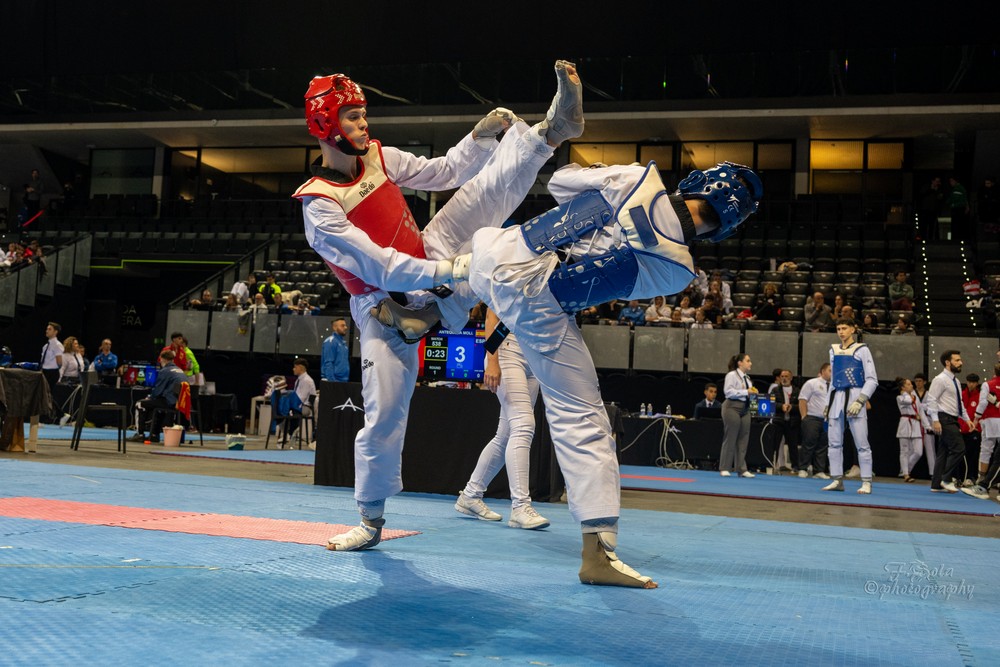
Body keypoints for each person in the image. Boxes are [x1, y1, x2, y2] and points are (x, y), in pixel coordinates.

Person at [303, 62, 578, 558]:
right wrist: (454, 272)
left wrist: (476, 138)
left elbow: (445, 172)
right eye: (351, 118)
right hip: (382, 305)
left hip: (429, 253)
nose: (364, 125)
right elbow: (381, 267)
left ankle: (549, 133)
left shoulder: (379, 157)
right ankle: (369, 518)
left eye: (364, 114)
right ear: (325, 126)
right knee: (385, 411)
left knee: (483, 195)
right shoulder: (319, 204)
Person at [456, 309, 549, 530]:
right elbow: (491, 317)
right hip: (508, 351)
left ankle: (470, 495)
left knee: (506, 434)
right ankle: (520, 507)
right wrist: (492, 360)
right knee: (524, 426)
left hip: (534, 356)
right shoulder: (505, 272)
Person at [821, 318, 878, 494]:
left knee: (861, 443)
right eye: (838, 328)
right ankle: (837, 479)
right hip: (836, 396)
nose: (841, 331)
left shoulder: (862, 350)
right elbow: (833, 381)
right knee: (834, 443)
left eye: (844, 328)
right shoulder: (834, 350)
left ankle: (866, 481)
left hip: (855, 395)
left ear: (853, 329)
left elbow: (872, 379)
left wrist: (861, 400)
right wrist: (827, 404)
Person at [924, 350, 974, 493]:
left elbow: (959, 403)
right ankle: (945, 479)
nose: (961, 363)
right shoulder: (939, 379)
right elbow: (931, 400)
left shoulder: (956, 381)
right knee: (959, 448)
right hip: (943, 418)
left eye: (960, 360)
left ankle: (936, 484)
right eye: (957, 360)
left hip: (952, 418)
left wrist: (967, 419)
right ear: (947, 362)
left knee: (943, 452)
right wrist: (935, 420)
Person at [129, 350, 188, 444]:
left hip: (170, 402)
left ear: (162, 359)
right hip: (180, 403)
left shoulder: (165, 371)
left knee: (140, 404)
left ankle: (139, 434)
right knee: (158, 406)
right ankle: (154, 435)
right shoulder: (180, 370)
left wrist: (150, 397)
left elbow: (157, 391)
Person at [720, 354, 757, 478]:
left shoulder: (748, 379)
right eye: (748, 360)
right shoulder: (731, 375)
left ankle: (741, 468)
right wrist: (746, 392)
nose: (750, 363)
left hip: (745, 408)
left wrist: (753, 395)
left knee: (743, 438)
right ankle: (725, 467)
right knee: (731, 437)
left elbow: (748, 394)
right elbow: (728, 392)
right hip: (732, 407)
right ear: (740, 363)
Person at [967, 362, 1000, 499]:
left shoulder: (988, 384)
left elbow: (983, 402)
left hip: (989, 420)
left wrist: (976, 417)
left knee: (986, 450)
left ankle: (982, 481)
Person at [798, 363, 831, 479]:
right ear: (822, 371)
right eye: (830, 370)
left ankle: (819, 470)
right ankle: (802, 468)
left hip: (827, 419)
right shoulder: (812, 383)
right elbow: (802, 399)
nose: (832, 373)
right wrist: (804, 417)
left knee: (823, 445)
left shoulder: (835, 386)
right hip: (812, 418)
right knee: (808, 443)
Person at [766, 369, 800, 474]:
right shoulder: (775, 390)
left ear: (791, 378)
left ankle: (795, 467)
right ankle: (772, 465)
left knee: (793, 446)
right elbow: (770, 404)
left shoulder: (797, 391)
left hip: (792, 422)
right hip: (779, 421)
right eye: (782, 376)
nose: (784, 378)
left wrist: (792, 407)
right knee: (774, 445)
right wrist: (781, 406)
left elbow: (801, 406)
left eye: (786, 376)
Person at [896, 377, 928, 483]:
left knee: (918, 452)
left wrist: (927, 426)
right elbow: (909, 401)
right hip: (905, 423)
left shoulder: (915, 397)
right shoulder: (900, 398)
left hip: (915, 425)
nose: (912, 386)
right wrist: (905, 393)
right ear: (903, 387)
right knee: (904, 451)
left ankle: (905, 470)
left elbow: (921, 412)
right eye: (909, 384)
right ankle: (906, 474)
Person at [960, 373, 983, 486]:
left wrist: (977, 428)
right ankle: (959, 477)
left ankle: (971, 477)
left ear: (977, 383)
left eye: (973, 382)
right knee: (960, 455)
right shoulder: (962, 394)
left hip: (974, 431)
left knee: (972, 456)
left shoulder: (980, 396)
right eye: (969, 382)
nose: (970, 384)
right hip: (961, 430)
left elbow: (981, 414)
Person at [913, 372, 936, 475]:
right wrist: (922, 407)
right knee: (912, 449)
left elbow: (932, 406)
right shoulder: (912, 393)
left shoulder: (929, 394)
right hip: (915, 422)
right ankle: (906, 471)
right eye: (916, 381)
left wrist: (921, 407)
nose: (918, 383)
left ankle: (933, 473)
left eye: (920, 381)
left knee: (930, 448)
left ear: (925, 382)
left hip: (928, 423)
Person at [321, 318, 350, 382]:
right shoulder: (330, 342)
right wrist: (332, 382)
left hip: (342, 381)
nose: (345, 327)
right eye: (342, 325)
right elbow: (328, 363)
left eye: (345, 325)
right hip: (332, 381)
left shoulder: (343, 345)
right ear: (334, 327)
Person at [39, 322, 64, 390]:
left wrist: (56, 373)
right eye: (47, 329)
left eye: (49, 329)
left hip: (52, 373)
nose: (47, 331)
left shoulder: (57, 345)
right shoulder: (45, 346)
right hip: (44, 372)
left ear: (55, 332)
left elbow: (59, 362)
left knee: (49, 393)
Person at [917, 176, 943, 241]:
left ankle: (931, 239)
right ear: (933, 181)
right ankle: (923, 238)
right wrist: (932, 190)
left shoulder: (939, 189)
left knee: (932, 226)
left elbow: (940, 198)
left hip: (933, 210)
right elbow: (921, 194)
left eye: (938, 181)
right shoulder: (926, 187)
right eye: (936, 181)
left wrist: (937, 192)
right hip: (925, 210)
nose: (937, 183)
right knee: (924, 225)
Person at [946, 176, 971, 241]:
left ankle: (956, 240)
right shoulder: (958, 188)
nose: (950, 183)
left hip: (958, 210)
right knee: (957, 225)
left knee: (956, 225)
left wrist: (952, 204)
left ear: (955, 181)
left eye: (951, 181)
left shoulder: (958, 189)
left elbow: (957, 200)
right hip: (958, 209)